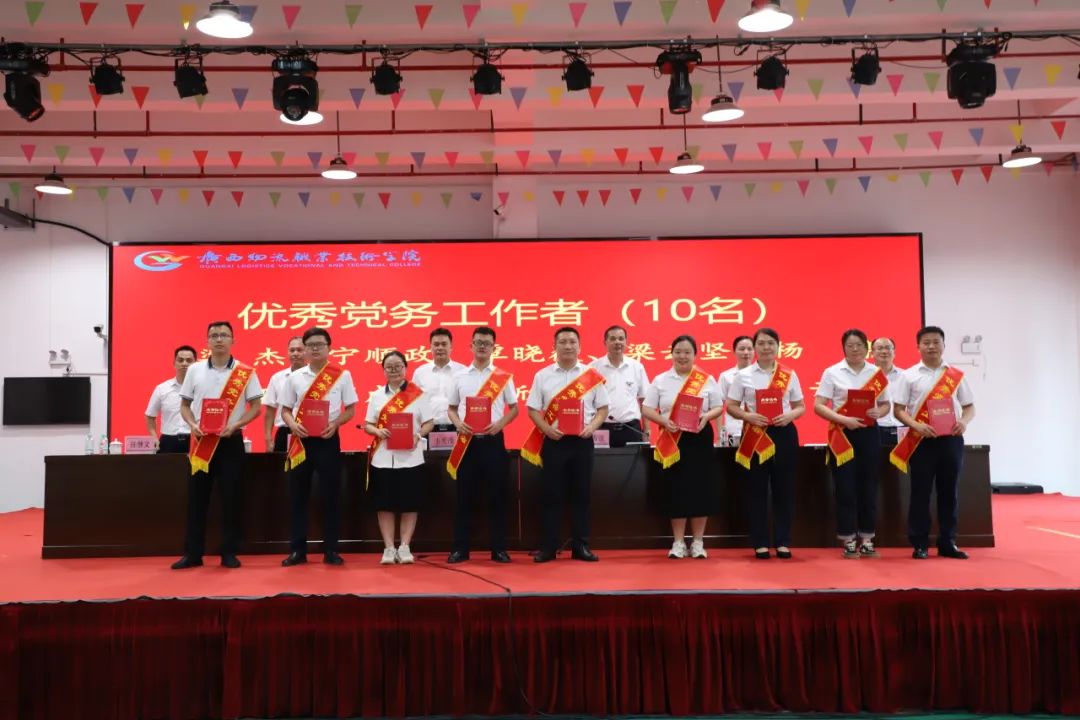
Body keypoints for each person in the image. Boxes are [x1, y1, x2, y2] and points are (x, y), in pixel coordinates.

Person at [172, 321, 263, 569]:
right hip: (201, 441)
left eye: (224, 335)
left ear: (233, 340)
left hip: (231, 441)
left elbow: (256, 407)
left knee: (231, 498)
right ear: (207, 341)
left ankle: (229, 552)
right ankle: (193, 554)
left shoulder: (245, 372)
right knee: (197, 499)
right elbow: (184, 406)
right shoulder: (195, 370)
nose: (219, 339)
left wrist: (237, 425)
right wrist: (193, 424)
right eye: (214, 335)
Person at [524, 327, 610, 563]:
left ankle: (581, 546)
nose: (568, 346)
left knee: (581, 495)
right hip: (555, 442)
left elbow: (603, 408)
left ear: (579, 347)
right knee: (551, 495)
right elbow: (532, 409)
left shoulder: (591, 375)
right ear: (554, 346)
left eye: (572, 341)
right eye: (563, 342)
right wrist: (546, 429)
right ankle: (549, 548)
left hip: (582, 442)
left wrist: (592, 428)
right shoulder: (542, 375)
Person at [891, 326, 976, 560]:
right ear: (918, 347)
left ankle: (948, 542)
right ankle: (920, 543)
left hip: (951, 440)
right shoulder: (908, 375)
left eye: (936, 342)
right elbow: (898, 409)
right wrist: (916, 425)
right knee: (920, 492)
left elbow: (969, 407)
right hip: (921, 441)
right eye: (926, 342)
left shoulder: (955, 375)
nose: (931, 346)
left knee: (949, 492)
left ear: (943, 345)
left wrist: (964, 422)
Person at [279, 328, 358, 567]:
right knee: (298, 496)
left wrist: (336, 423)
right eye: (310, 345)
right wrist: (293, 425)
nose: (314, 348)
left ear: (329, 347)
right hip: (300, 442)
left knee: (331, 496)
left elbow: (351, 409)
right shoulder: (294, 377)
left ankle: (331, 550)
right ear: (304, 349)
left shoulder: (342, 375)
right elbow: (285, 410)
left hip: (328, 440)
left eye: (319, 344)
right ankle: (297, 551)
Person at [640, 335, 724, 559]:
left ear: (695, 354)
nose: (682, 356)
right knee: (675, 490)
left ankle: (698, 542)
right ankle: (678, 542)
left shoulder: (706, 379)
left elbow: (718, 407)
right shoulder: (661, 380)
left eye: (687, 352)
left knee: (700, 489)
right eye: (678, 352)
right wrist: (663, 421)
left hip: (699, 439)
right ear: (672, 353)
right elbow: (647, 409)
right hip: (672, 439)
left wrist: (706, 417)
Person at [726, 327, 805, 560]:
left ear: (778, 346)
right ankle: (760, 542)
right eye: (761, 343)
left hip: (784, 433)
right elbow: (731, 406)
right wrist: (747, 416)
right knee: (756, 490)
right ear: (755, 347)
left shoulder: (789, 374)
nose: (766, 347)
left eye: (771, 343)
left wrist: (790, 416)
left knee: (784, 489)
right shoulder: (743, 375)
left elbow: (800, 406)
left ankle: (782, 541)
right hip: (755, 434)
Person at [814, 329, 891, 559]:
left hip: (869, 434)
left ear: (866, 348)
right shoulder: (832, 372)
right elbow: (819, 405)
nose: (855, 349)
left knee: (868, 487)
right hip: (842, 433)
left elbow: (886, 404)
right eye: (850, 345)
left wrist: (879, 412)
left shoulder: (875, 373)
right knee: (845, 488)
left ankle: (867, 539)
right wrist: (842, 419)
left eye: (859, 345)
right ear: (843, 348)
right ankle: (848, 539)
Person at [445, 326, 519, 563]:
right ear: (471, 345)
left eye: (487, 343)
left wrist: (500, 424)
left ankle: (499, 549)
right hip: (466, 442)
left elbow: (515, 409)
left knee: (497, 496)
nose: (482, 347)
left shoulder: (502, 376)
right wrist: (458, 424)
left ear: (494, 347)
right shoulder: (459, 377)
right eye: (478, 342)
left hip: (493, 441)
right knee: (463, 497)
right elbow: (451, 408)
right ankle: (460, 549)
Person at [364, 351, 435, 565]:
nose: (394, 370)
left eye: (398, 366)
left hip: (411, 458)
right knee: (384, 505)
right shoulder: (377, 396)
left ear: (405, 368)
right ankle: (388, 548)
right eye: (389, 367)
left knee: (409, 504)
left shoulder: (419, 394)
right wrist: (377, 431)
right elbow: (368, 424)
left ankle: (404, 547)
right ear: (383, 370)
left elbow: (429, 422)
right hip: (383, 458)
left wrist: (418, 435)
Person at [588, 325, 649, 447]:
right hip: (602, 427)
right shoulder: (593, 368)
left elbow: (644, 401)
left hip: (631, 428)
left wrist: (647, 429)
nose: (617, 342)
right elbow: (587, 401)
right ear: (605, 342)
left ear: (626, 341)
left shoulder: (636, 367)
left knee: (634, 460)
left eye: (621, 339)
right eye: (613, 339)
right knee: (601, 460)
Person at [412, 327, 467, 436]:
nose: (440, 348)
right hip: (427, 430)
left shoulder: (463, 372)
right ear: (430, 347)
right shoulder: (420, 373)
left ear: (451, 347)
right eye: (436, 344)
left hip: (458, 429)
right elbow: (413, 404)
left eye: (444, 344)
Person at [145, 345, 198, 454]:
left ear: (196, 364)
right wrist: (154, 437)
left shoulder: (202, 389)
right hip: (169, 441)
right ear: (174, 363)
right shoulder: (162, 388)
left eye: (189, 360)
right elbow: (150, 416)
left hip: (196, 439)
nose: (184, 363)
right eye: (180, 360)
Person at [262, 337, 306, 452]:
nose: (295, 353)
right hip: (284, 432)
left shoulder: (316, 377)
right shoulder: (277, 378)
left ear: (307, 351)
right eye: (292, 350)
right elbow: (270, 411)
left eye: (299, 350)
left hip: (308, 432)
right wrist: (268, 438)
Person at [717, 335, 755, 447]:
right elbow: (718, 406)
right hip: (733, 431)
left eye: (749, 349)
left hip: (757, 430)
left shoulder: (762, 375)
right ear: (734, 352)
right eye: (742, 349)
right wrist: (720, 435)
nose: (746, 352)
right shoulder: (726, 376)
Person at [871, 337, 905, 446]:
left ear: (894, 352)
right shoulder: (866, 376)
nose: (884, 351)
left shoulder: (905, 376)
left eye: (888, 348)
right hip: (875, 429)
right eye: (880, 348)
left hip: (902, 429)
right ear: (872, 353)